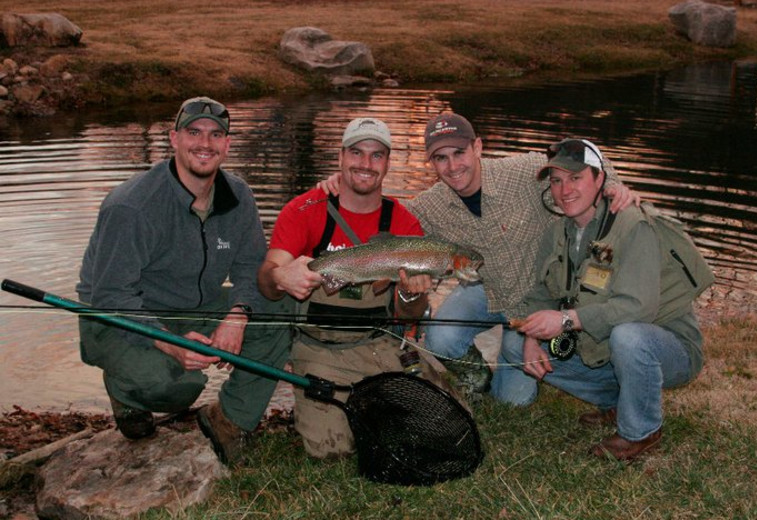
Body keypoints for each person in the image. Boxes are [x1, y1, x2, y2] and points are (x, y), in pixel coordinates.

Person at [319, 112, 637, 402]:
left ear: (478, 147)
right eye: (441, 158)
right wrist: (342, 188)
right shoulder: (429, 206)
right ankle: (476, 377)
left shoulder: (523, 171)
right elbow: (383, 221)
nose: (453, 166)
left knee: (514, 401)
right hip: (486, 289)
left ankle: (570, 369)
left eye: (459, 153)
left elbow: (580, 157)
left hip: (543, 297)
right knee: (440, 338)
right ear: (431, 162)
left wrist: (614, 186)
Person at [76, 96, 291, 466]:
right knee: (179, 386)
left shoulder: (238, 195)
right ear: (174, 138)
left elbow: (249, 268)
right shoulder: (132, 206)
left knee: (283, 306)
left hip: (196, 306)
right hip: (116, 317)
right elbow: (111, 295)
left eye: (215, 135)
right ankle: (125, 394)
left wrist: (237, 316)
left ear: (227, 144)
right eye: (194, 132)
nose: (204, 144)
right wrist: (171, 344)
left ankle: (230, 420)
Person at [258, 117, 448, 459]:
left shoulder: (403, 222)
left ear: (388, 163)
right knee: (334, 452)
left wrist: (411, 293)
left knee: (437, 420)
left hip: (379, 345)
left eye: (377, 155)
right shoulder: (304, 209)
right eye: (357, 153)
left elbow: (408, 315)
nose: (365, 164)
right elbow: (267, 281)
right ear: (341, 157)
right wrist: (280, 276)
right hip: (319, 350)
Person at [511, 138, 704, 460]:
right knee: (513, 346)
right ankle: (620, 402)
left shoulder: (633, 223)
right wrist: (531, 335)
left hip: (667, 347)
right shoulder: (557, 233)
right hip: (609, 347)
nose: (564, 190)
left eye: (576, 178)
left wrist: (564, 320)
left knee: (628, 335)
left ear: (600, 179)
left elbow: (638, 308)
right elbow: (542, 292)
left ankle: (641, 432)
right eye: (557, 181)